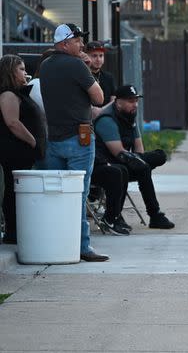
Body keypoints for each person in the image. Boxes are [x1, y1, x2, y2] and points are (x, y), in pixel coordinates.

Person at [39, 23, 108, 262]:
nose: (82, 45)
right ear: (65, 43)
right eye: (77, 40)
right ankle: (82, 246)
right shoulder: (76, 65)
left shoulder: (45, 66)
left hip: (54, 138)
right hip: (79, 138)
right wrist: (85, 67)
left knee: (56, 195)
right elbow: (98, 98)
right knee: (78, 194)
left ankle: (57, 243)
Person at [93, 84, 175, 230]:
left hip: (126, 161)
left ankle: (155, 215)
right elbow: (118, 152)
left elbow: (139, 149)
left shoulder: (130, 117)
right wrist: (138, 160)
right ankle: (119, 216)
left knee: (157, 157)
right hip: (110, 165)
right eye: (130, 101)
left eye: (136, 100)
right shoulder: (107, 119)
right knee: (142, 167)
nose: (135, 104)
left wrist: (139, 160)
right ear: (118, 102)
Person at [0, 55, 46, 244]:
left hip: (24, 151)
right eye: (21, 69)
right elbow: (13, 123)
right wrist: (33, 141)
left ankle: (20, 229)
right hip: (15, 150)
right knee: (13, 190)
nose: (25, 72)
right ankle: (12, 232)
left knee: (20, 190)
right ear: (10, 72)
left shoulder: (18, 92)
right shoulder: (8, 94)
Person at [85, 41, 116, 106]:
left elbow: (113, 100)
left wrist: (102, 111)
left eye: (101, 56)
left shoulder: (108, 77)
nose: (98, 59)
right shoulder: (82, 76)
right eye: (94, 56)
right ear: (86, 56)